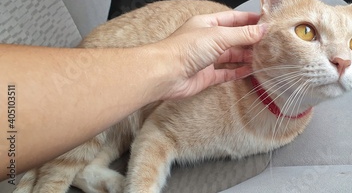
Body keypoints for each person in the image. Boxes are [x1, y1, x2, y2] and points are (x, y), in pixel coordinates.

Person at [0, 10, 266, 179]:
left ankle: (89, 170)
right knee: (56, 176)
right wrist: (170, 60)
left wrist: (170, 63)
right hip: (99, 61)